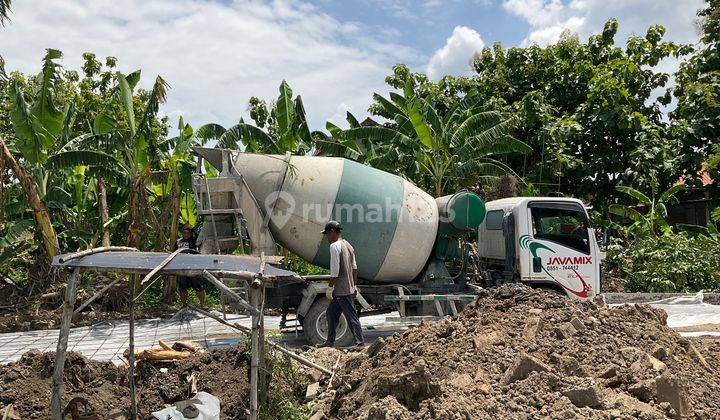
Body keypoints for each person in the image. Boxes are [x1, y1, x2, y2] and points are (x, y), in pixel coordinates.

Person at [319, 220, 365, 348]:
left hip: (341, 289)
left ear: (332, 232)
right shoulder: (348, 245)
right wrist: (354, 285)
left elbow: (335, 271)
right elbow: (355, 268)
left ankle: (360, 343)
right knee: (331, 313)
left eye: (327, 233)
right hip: (348, 287)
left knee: (351, 316)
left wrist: (330, 287)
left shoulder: (334, 246)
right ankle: (329, 342)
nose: (327, 237)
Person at [174, 224, 206, 306]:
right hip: (181, 268)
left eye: (188, 232)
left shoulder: (194, 240)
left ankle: (202, 304)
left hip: (193, 267)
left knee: (198, 286)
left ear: (191, 233)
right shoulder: (178, 242)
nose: (186, 234)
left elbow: (200, 237)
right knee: (182, 288)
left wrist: (193, 229)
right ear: (182, 233)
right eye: (184, 232)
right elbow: (173, 254)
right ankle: (184, 305)